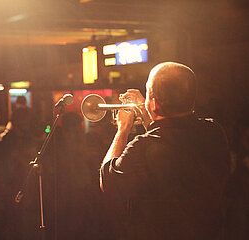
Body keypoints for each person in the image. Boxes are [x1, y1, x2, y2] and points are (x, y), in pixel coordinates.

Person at [99, 62, 231, 239]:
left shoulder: (142, 147)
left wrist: (122, 129)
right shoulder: (214, 131)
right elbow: (167, 137)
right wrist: (149, 115)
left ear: (153, 103)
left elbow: (107, 179)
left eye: (148, 94)